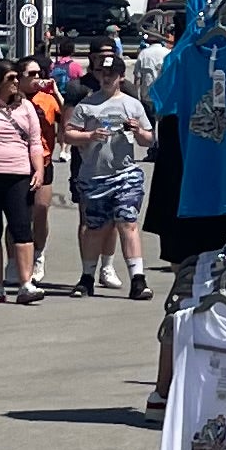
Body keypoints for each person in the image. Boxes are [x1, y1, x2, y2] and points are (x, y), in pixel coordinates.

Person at [0, 55, 57, 302]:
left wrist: (38, 169)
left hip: (18, 175)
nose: (17, 82)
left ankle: (26, 283)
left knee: (21, 228)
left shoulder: (25, 107)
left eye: (17, 77)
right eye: (11, 78)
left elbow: (35, 142)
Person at [64, 53, 154, 298]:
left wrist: (137, 131)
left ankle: (138, 279)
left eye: (111, 74)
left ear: (120, 77)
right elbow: (68, 135)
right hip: (94, 176)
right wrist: (90, 136)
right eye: (102, 73)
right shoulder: (87, 105)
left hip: (125, 174)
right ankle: (87, 277)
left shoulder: (132, 104)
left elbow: (148, 140)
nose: (106, 78)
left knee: (128, 222)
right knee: (95, 227)